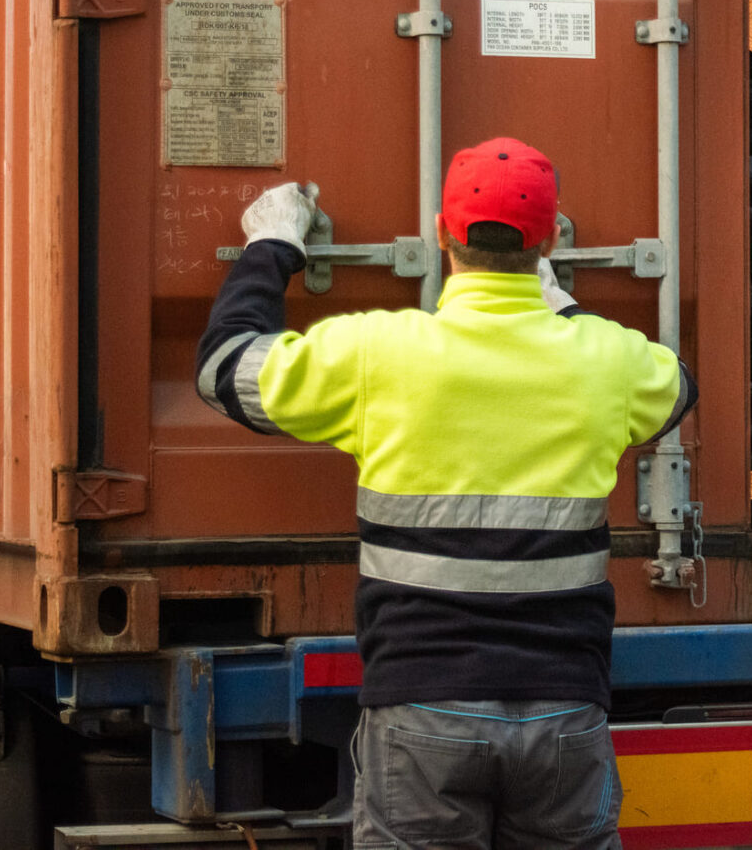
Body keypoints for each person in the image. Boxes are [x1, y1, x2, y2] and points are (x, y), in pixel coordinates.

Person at [194, 137, 693, 849]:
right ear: (548, 239)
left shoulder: (378, 353)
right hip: (563, 709)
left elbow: (222, 368)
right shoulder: (606, 359)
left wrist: (273, 244)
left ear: (440, 232)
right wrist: (565, 310)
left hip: (421, 707)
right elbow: (680, 386)